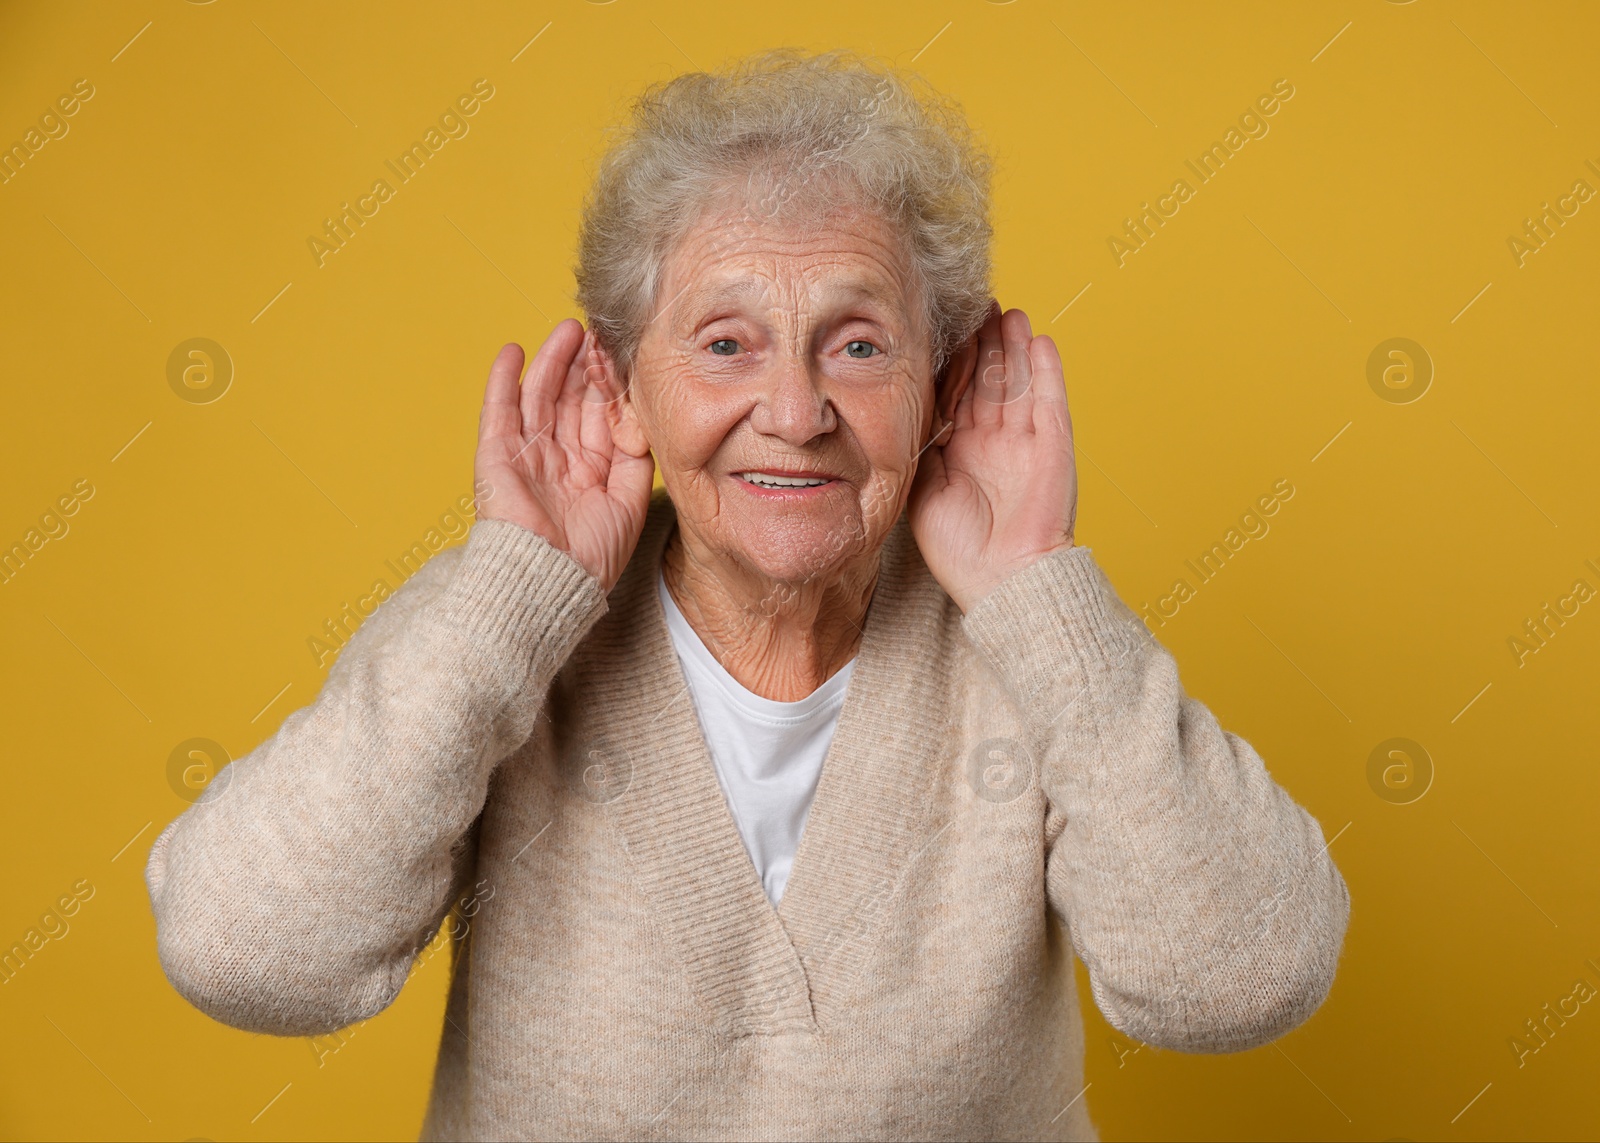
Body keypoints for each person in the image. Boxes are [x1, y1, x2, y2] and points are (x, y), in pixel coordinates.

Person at [146, 49, 1349, 1141]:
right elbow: (246, 956)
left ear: (941, 382)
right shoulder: (501, 630)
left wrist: (1037, 591)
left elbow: (1239, 983)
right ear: (623, 390)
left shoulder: (1024, 647)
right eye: (725, 344)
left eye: (858, 345)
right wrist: (510, 602)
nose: (794, 411)